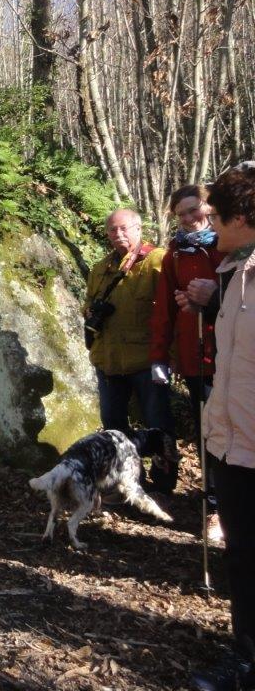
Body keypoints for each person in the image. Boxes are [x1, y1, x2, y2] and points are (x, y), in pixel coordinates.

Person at [190, 163, 255, 691]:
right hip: (234, 447)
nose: (208, 222)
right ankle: (246, 657)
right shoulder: (234, 273)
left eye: (217, 213)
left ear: (246, 214)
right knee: (244, 558)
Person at [150, 185, 226, 501]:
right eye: (181, 214)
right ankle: (213, 492)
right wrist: (159, 356)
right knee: (205, 425)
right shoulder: (175, 255)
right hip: (193, 355)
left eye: (194, 209)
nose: (188, 218)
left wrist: (210, 299)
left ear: (208, 207)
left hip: (229, 354)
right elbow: (163, 309)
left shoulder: (230, 246)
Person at [85, 209, 175, 448]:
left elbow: (173, 309)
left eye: (124, 228)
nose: (118, 233)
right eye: (112, 229)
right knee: (113, 426)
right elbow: (87, 305)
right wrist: (92, 311)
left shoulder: (157, 261)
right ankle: (125, 478)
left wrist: (170, 356)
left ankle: (164, 481)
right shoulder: (100, 268)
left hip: (146, 360)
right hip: (108, 360)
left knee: (158, 424)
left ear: (138, 228)